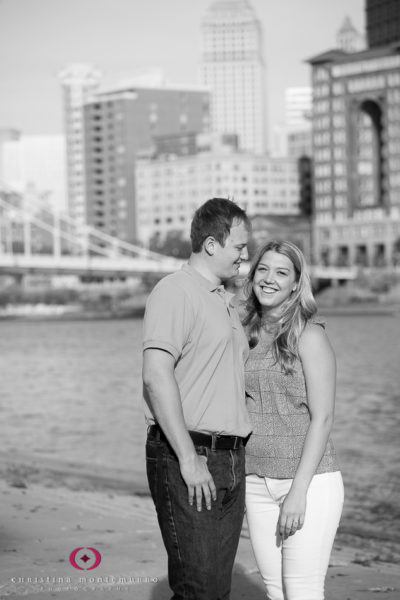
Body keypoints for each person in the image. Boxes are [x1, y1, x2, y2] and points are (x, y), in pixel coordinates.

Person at [142, 198, 252, 600]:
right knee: (199, 591)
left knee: (212, 592)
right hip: (189, 454)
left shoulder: (223, 299)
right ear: (210, 244)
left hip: (230, 459)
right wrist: (189, 460)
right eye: (239, 246)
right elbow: (156, 377)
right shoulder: (175, 292)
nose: (246, 254)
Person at [242, 240, 344, 600]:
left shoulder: (310, 335)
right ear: (252, 276)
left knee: (301, 591)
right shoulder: (246, 334)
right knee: (275, 591)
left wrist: (298, 492)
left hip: (308, 482)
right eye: (263, 269)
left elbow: (324, 417)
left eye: (281, 272)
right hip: (255, 479)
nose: (269, 279)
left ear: (296, 283)